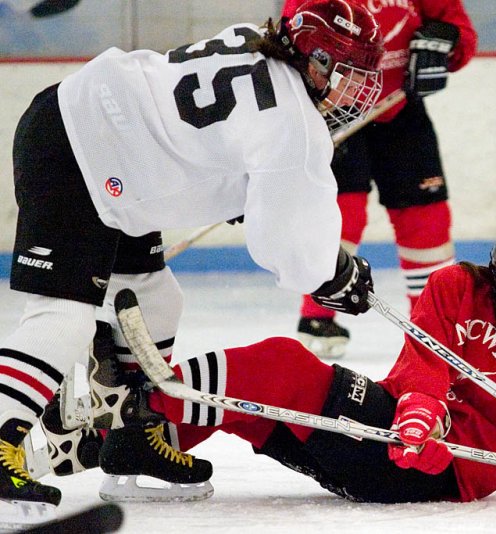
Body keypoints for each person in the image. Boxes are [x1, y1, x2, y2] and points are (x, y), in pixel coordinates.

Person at [0, 0, 384, 519]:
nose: (348, 91)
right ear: (314, 60)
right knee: (62, 319)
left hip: (102, 144)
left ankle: (128, 441)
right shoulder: (294, 123)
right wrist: (335, 274)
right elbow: (287, 249)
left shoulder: (255, 41)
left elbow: (211, 139)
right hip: (81, 155)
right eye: (343, 72)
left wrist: (242, 197)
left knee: (158, 300)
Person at [119, 220, 496, 508]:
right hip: (394, 426)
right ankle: (138, 438)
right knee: (258, 407)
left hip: (444, 471)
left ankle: (147, 399)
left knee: (283, 367)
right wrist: (421, 407)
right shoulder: (456, 286)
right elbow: (424, 359)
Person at [281, 0, 478, 359]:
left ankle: (434, 321)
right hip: (336, 107)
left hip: (400, 106)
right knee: (343, 213)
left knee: (426, 217)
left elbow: (459, 29)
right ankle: (317, 314)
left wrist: (445, 43)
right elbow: (293, 37)